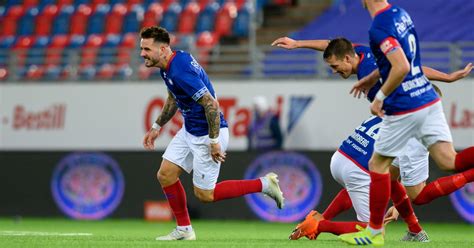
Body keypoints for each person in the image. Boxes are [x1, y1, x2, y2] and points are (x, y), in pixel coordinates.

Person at [271, 37, 473, 242]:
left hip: (341, 158)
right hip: (359, 168)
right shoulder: (414, 124)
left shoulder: (364, 54)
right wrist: (446, 78)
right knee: (379, 225)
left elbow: (406, 69)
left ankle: (414, 230)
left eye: (334, 66)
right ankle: (320, 224)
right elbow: (334, 46)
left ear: (348, 58)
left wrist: (298, 43)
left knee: (390, 176)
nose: (334, 70)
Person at [337, 1, 474, 245]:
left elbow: (400, 66)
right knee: (449, 161)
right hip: (428, 97)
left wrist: (379, 97)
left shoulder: (378, 27)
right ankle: (407, 229)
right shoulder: (400, 14)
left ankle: (375, 232)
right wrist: (370, 79)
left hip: (406, 104)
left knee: (378, 165)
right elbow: (404, 60)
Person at [140, 26, 285, 241]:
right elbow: (174, 97)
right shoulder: (169, 65)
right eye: (141, 48)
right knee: (165, 174)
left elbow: (211, 104)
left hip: (207, 134)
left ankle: (264, 184)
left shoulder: (180, 70)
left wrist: (214, 141)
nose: (142, 53)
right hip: (190, 129)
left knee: (205, 195)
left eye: (147, 49)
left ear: (163, 49)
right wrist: (156, 126)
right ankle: (184, 230)